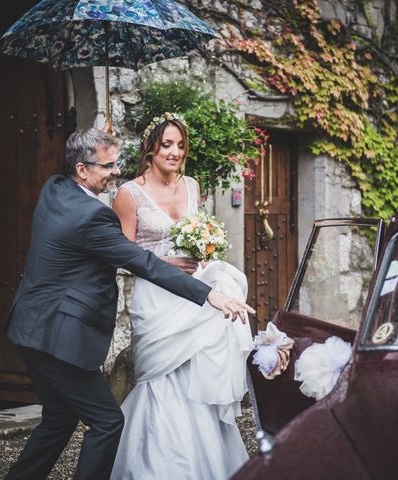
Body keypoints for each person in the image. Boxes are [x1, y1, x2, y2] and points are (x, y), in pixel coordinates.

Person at [5, 128, 253, 480]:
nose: (115, 171)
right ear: (81, 170)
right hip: (58, 337)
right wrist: (208, 294)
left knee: (58, 419)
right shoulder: (92, 217)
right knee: (107, 422)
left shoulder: (54, 190)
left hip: (30, 328)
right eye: (107, 165)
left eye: (117, 162)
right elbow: (143, 262)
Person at [110, 112, 254, 479]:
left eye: (180, 145)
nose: (174, 152)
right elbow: (122, 257)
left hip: (196, 292)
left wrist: (206, 247)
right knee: (161, 378)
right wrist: (164, 263)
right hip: (156, 299)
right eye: (167, 144)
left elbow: (198, 233)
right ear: (151, 148)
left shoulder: (191, 185)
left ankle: (208, 460)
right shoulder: (128, 194)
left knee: (197, 371)